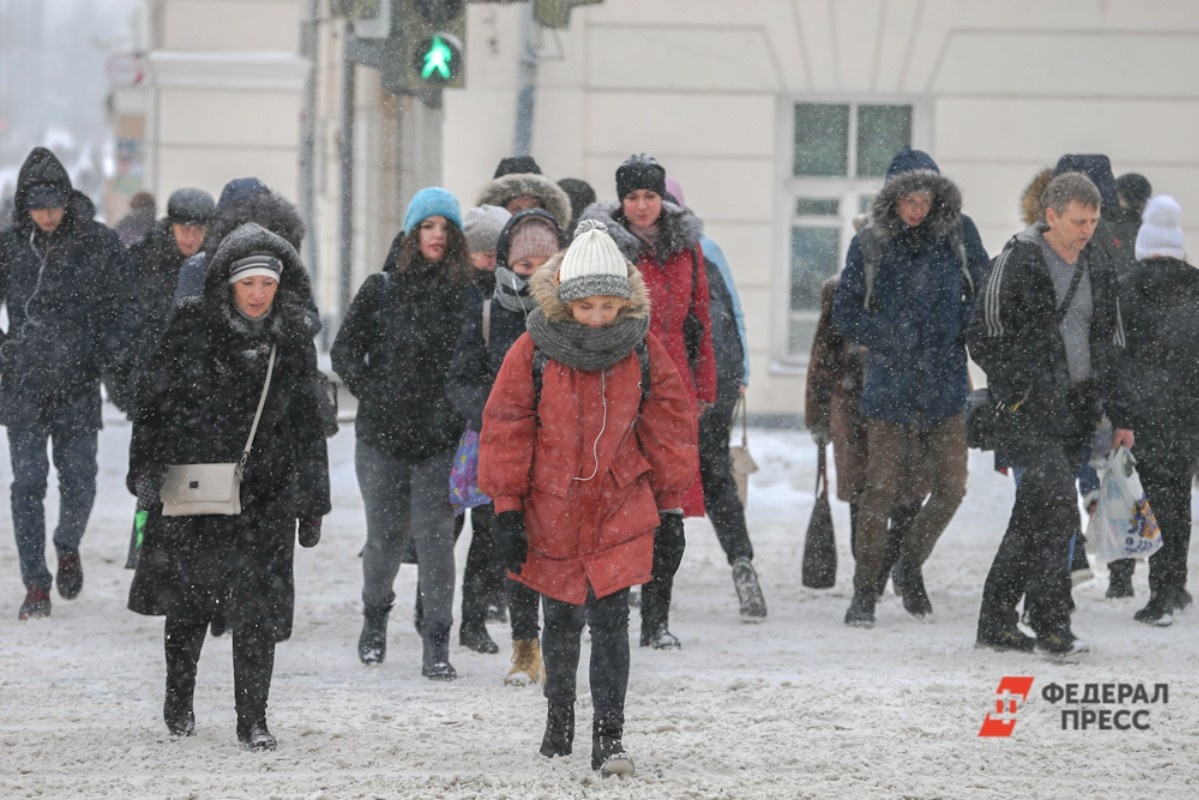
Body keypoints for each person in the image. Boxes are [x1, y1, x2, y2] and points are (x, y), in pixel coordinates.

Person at [478, 220, 697, 777]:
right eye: (587, 306)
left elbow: (669, 426)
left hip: (619, 502)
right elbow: (507, 425)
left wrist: (671, 508)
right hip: (551, 504)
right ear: (564, 300)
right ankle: (558, 721)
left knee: (611, 620)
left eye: (607, 305)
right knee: (561, 620)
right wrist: (506, 506)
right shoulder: (532, 349)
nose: (598, 317)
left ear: (624, 301)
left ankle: (610, 736)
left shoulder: (642, 351)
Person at [126, 222, 330, 750]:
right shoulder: (191, 327)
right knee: (188, 603)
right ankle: (179, 697)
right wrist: (148, 474)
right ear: (229, 285)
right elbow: (154, 406)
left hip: (267, 493)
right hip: (196, 487)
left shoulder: (292, 340)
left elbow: (309, 425)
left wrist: (312, 502)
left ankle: (253, 718)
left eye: (267, 283)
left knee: (257, 609)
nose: (258, 294)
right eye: (248, 284)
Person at [969, 172, 1133, 656]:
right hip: (1026, 412)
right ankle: (1052, 627)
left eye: (1094, 221)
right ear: (1051, 216)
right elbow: (982, 332)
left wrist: (1120, 414)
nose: (1087, 229)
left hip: (1077, 413)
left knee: (1032, 517)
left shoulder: (1098, 266)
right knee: (1059, 512)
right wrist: (1022, 384)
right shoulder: (1017, 260)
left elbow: (1114, 342)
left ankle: (995, 622)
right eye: (1079, 221)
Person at [832, 148, 987, 626]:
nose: (917, 208)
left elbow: (985, 292)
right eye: (908, 199)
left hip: (945, 382)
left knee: (951, 487)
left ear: (937, 197)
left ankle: (909, 564)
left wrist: (957, 325)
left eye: (925, 198)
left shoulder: (960, 235)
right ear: (892, 199)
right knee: (879, 491)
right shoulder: (870, 243)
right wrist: (888, 336)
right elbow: (845, 310)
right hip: (888, 383)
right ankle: (864, 591)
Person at [332, 187, 472, 679]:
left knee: (437, 541)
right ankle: (375, 618)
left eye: (445, 228)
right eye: (427, 227)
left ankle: (438, 642)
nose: (436, 236)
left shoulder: (467, 295)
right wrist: (375, 392)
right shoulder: (382, 288)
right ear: (412, 234)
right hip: (381, 438)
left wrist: (456, 408)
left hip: (440, 440)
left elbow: (474, 366)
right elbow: (343, 351)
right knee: (385, 538)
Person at [580, 153, 716, 649]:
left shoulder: (687, 249)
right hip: (616, 386)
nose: (641, 206)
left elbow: (699, 318)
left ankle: (656, 620)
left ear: (663, 199)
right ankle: (606, 609)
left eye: (650, 196)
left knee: (670, 513)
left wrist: (703, 388)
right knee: (611, 507)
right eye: (633, 197)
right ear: (620, 200)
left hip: (671, 390)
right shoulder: (600, 247)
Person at [0, 146, 133, 620]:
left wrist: (104, 355)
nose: (47, 215)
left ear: (68, 200)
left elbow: (121, 309)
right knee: (27, 484)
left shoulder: (97, 244)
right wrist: (6, 354)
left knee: (79, 480)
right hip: (23, 385)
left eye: (54, 205)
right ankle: (36, 583)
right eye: (38, 207)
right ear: (24, 205)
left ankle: (67, 544)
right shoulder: (10, 245)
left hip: (77, 383)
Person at [448, 208, 562, 683]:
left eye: (543, 261)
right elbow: (462, 377)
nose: (532, 270)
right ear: (507, 263)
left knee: (556, 546)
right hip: (505, 445)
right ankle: (509, 637)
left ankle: (558, 638)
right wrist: (493, 415)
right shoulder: (490, 311)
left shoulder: (571, 316)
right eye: (523, 261)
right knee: (497, 539)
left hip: (560, 450)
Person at [662, 176, 766, 620]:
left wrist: (734, 373)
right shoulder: (704, 253)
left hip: (697, 387)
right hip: (698, 384)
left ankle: (739, 565)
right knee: (712, 476)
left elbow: (725, 315)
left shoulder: (701, 254)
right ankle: (741, 568)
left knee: (691, 477)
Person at [806, 272, 926, 596]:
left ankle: (898, 566)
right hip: (852, 408)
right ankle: (869, 579)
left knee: (910, 493)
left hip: (906, 402)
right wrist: (817, 414)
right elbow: (824, 352)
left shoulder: (919, 282)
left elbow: (940, 349)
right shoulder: (839, 289)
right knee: (862, 496)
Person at [122, 186, 215, 568]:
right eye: (184, 228)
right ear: (171, 226)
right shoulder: (142, 263)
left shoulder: (217, 267)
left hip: (202, 392)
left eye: (199, 229)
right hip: (155, 392)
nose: (191, 237)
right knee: (149, 481)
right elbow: (124, 330)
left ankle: (194, 561)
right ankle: (145, 554)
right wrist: (131, 388)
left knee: (198, 483)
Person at [1116, 195, 1197, 625]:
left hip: (1142, 412)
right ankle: (1175, 585)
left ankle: (1157, 596)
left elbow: (1117, 356)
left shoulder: (1126, 288)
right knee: (1177, 501)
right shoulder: (1197, 285)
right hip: (1188, 412)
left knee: (1148, 503)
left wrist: (1120, 411)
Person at [476, 156, 572, 229]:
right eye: (516, 209)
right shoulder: (480, 250)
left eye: (533, 208)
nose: (525, 215)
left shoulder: (562, 251)